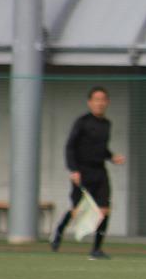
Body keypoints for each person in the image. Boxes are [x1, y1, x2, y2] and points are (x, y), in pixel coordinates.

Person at [50, 86, 126, 259]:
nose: (100, 103)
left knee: (104, 210)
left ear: (107, 102)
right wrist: (73, 170)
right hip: (82, 172)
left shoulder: (107, 124)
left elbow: (101, 149)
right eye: (96, 100)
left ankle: (96, 249)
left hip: (100, 172)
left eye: (103, 100)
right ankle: (59, 232)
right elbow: (70, 147)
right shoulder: (82, 122)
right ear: (90, 102)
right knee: (77, 210)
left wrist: (112, 157)